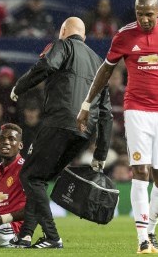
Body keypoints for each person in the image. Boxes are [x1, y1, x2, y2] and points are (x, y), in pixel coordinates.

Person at [76, 0, 158, 254]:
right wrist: (86, 104)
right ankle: (142, 238)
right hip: (136, 112)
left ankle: (151, 231)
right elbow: (105, 71)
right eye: (139, 14)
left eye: (149, 14)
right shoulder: (124, 36)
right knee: (140, 172)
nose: (144, 19)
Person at [9, 17, 113, 248]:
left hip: (60, 121)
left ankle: (52, 236)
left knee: (30, 176)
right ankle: (26, 234)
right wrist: (101, 153)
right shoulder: (99, 62)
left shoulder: (63, 45)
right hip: (84, 133)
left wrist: (20, 86)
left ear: (63, 31)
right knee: (41, 178)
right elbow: (106, 112)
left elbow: (46, 65)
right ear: (84, 37)